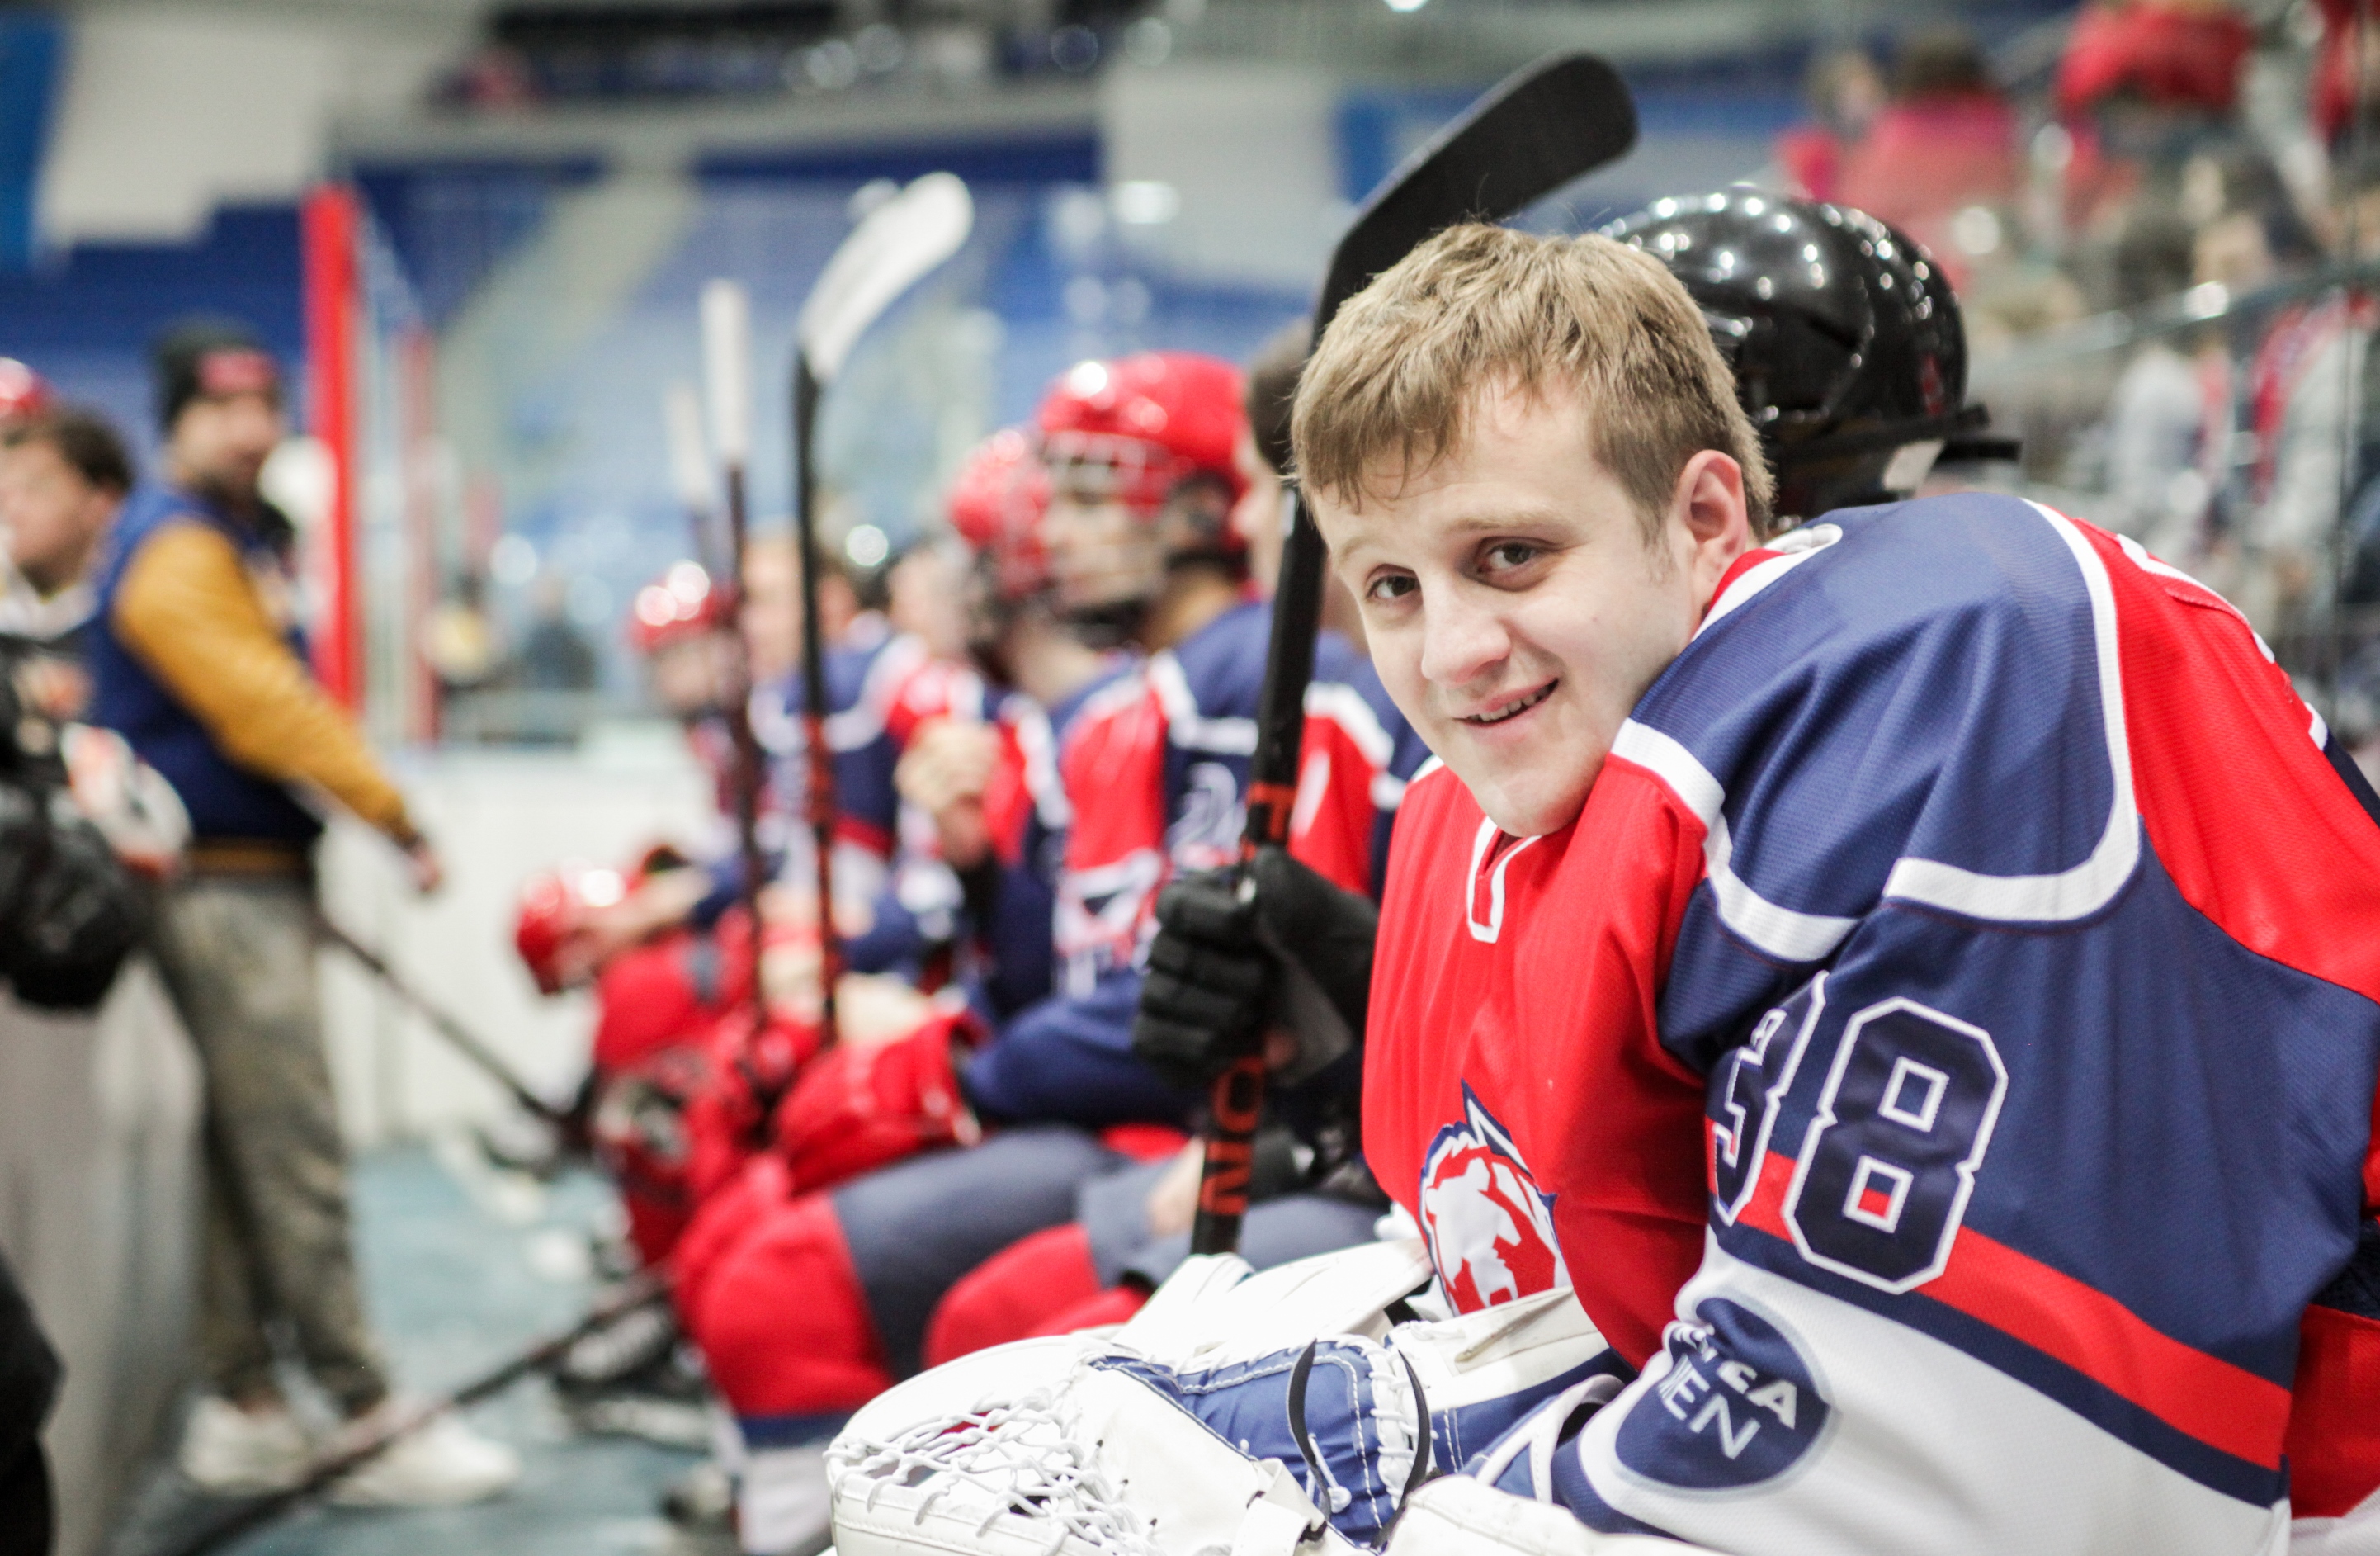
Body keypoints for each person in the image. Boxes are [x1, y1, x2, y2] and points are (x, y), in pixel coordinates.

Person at [91, 319, 520, 1506]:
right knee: (289, 1154)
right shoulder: (176, 547)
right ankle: (366, 1409)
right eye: (223, 405)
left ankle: (250, 1398)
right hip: (220, 891)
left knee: (243, 1161)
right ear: (174, 419)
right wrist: (390, 809)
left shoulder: (230, 537)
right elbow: (263, 704)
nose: (251, 426)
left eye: (264, 402)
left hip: (241, 879)